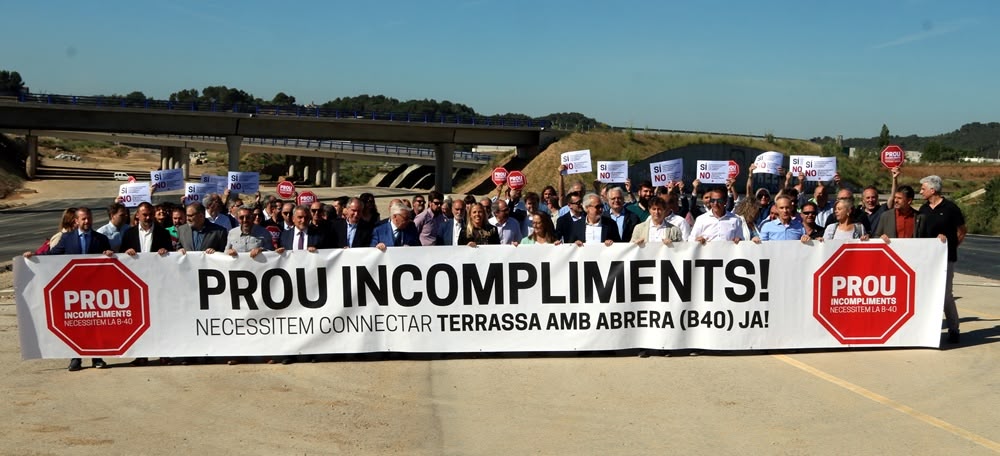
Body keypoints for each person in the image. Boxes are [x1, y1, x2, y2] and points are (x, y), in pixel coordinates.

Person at [25, 207, 114, 371]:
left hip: (94, 290)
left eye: (89, 218)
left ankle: (97, 358)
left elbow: (111, 259)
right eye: (83, 219)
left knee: (95, 323)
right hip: (73, 290)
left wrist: (110, 254)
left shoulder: (100, 239)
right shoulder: (67, 239)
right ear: (76, 221)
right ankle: (76, 359)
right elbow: (52, 255)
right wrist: (34, 257)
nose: (87, 222)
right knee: (76, 324)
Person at [916, 175, 967, 343]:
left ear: (933, 189)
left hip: (946, 260)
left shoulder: (951, 208)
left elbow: (961, 230)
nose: (920, 191)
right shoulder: (923, 209)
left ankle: (954, 329)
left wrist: (950, 247)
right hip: (926, 260)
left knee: (945, 295)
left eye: (923, 188)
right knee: (925, 294)